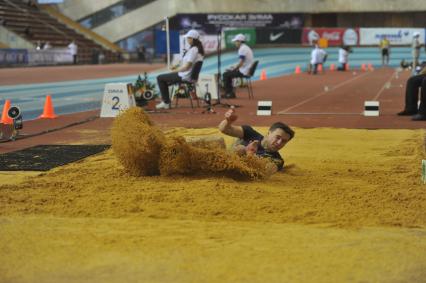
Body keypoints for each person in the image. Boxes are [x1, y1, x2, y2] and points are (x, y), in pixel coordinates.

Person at [218, 106, 295, 172]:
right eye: (277, 137)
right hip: (222, 161)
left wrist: (250, 154)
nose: (279, 142)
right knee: (219, 140)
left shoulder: (277, 160)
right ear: (269, 133)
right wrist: (228, 121)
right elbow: (224, 129)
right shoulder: (250, 133)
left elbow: (264, 172)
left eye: (284, 141)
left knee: (241, 149)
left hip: (235, 171)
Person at [155, 29, 204, 110]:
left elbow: (187, 67)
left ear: (192, 39)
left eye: (188, 38)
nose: (187, 40)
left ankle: (166, 102)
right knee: (166, 79)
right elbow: (186, 65)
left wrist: (174, 71)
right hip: (188, 75)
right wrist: (176, 68)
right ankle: (166, 101)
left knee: (160, 78)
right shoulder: (197, 49)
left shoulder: (194, 50)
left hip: (184, 76)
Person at [222, 34, 254, 99]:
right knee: (229, 73)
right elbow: (242, 62)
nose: (235, 43)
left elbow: (241, 63)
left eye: (236, 41)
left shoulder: (242, 49)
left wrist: (234, 69)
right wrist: (234, 68)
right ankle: (230, 93)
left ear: (240, 41)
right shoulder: (246, 47)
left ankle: (229, 94)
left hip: (244, 71)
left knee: (225, 74)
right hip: (247, 69)